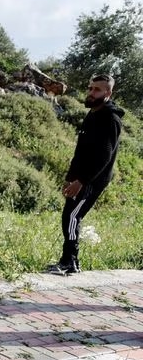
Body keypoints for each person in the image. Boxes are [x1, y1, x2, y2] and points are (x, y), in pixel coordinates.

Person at [47, 74, 124, 276]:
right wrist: (70, 177)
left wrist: (81, 182)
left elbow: (104, 156)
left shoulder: (110, 119)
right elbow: (80, 151)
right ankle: (68, 261)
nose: (91, 92)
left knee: (73, 215)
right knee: (69, 215)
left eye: (97, 89)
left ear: (108, 93)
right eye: (90, 88)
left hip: (93, 179)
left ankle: (70, 261)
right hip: (81, 177)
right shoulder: (92, 114)